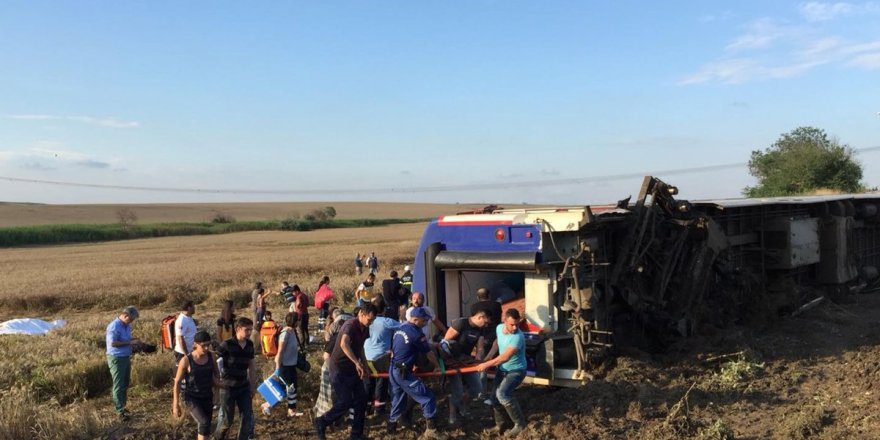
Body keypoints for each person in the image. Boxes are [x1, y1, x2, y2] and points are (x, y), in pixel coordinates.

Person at [313, 303, 378, 440]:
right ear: (361, 314)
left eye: (372, 320)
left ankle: (356, 435)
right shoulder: (350, 325)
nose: (370, 323)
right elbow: (344, 344)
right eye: (369, 319)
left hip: (352, 369)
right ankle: (322, 421)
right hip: (339, 368)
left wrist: (364, 366)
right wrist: (356, 363)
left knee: (361, 400)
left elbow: (360, 349)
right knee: (345, 401)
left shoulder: (365, 329)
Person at [387, 307, 443, 439]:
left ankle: (391, 429)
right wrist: (438, 367)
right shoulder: (417, 333)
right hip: (403, 372)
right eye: (424, 321)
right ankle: (432, 430)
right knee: (428, 397)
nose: (425, 323)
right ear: (415, 319)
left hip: (394, 368)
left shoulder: (400, 329)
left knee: (398, 400)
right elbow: (428, 354)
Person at [477, 308, 528, 435]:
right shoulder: (499, 328)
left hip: (517, 371)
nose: (515, 327)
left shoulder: (518, 337)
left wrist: (487, 364)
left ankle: (520, 424)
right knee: (494, 398)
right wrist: (489, 356)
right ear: (504, 321)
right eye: (512, 324)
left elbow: (505, 357)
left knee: (502, 394)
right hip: (503, 369)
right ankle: (500, 425)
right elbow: (497, 343)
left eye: (517, 324)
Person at [443, 309, 490, 426]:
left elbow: (480, 348)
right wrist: (450, 361)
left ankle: (462, 405)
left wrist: (479, 361)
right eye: (485, 322)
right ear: (480, 317)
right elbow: (444, 343)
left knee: (477, 388)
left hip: (467, 361)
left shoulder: (481, 329)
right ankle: (452, 415)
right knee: (457, 390)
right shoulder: (461, 323)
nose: (486, 325)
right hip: (452, 361)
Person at [172, 330, 221, 440]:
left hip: (207, 396)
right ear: (195, 344)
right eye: (204, 346)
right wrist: (175, 404)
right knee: (203, 422)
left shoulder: (211, 356)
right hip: (192, 397)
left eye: (209, 345)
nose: (207, 348)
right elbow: (177, 382)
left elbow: (216, 375)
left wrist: (216, 394)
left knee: (206, 425)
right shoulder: (186, 360)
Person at [215, 317, 257, 440]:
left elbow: (252, 366)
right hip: (228, 388)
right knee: (227, 420)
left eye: (251, 330)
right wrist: (217, 383)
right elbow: (215, 362)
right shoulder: (227, 345)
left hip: (243, 387)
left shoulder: (249, 345)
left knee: (246, 417)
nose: (249, 333)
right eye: (247, 330)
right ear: (237, 329)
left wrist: (252, 386)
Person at [363, 296, 400, 416]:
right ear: (384, 309)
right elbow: (404, 327)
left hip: (365, 357)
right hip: (380, 358)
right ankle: (379, 409)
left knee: (368, 383)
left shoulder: (365, 320)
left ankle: (366, 408)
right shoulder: (387, 321)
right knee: (381, 382)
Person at [106, 306, 140, 421]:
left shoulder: (126, 325)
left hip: (125, 357)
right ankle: (119, 411)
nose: (131, 322)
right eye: (130, 319)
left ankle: (123, 406)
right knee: (118, 385)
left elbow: (127, 339)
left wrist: (135, 340)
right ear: (125, 316)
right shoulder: (114, 326)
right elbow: (113, 343)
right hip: (116, 359)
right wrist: (129, 342)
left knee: (125, 383)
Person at [275, 312, 304, 417]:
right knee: (287, 388)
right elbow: (280, 351)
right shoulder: (285, 333)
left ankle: (291, 410)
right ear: (295, 321)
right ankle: (267, 405)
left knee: (292, 387)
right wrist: (278, 368)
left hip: (291, 365)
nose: (299, 322)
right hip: (284, 365)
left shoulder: (293, 332)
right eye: (298, 320)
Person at [174, 301, 197, 366]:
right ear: (189, 308)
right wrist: (186, 354)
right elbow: (180, 339)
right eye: (193, 306)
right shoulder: (182, 320)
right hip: (182, 353)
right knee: (180, 372)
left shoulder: (189, 317)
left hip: (190, 351)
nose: (194, 308)